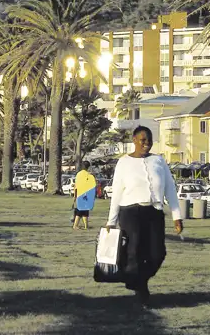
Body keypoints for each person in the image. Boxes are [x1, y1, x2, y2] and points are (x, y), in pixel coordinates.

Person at [105, 126, 183, 305]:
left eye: (149, 140)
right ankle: (140, 289)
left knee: (158, 253)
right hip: (130, 211)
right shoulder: (124, 162)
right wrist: (111, 221)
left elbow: (170, 188)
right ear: (134, 140)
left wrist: (176, 215)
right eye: (143, 140)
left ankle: (140, 281)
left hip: (154, 211)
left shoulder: (159, 161)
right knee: (134, 252)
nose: (146, 144)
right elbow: (117, 192)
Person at [73, 161, 97, 230]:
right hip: (87, 195)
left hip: (80, 194)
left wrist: (75, 196)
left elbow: (76, 186)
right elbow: (93, 186)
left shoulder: (78, 175)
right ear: (88, 167)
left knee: (81, 210)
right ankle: (76, 225)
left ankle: (85, 226)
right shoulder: (90, 176)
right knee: (84, 210)